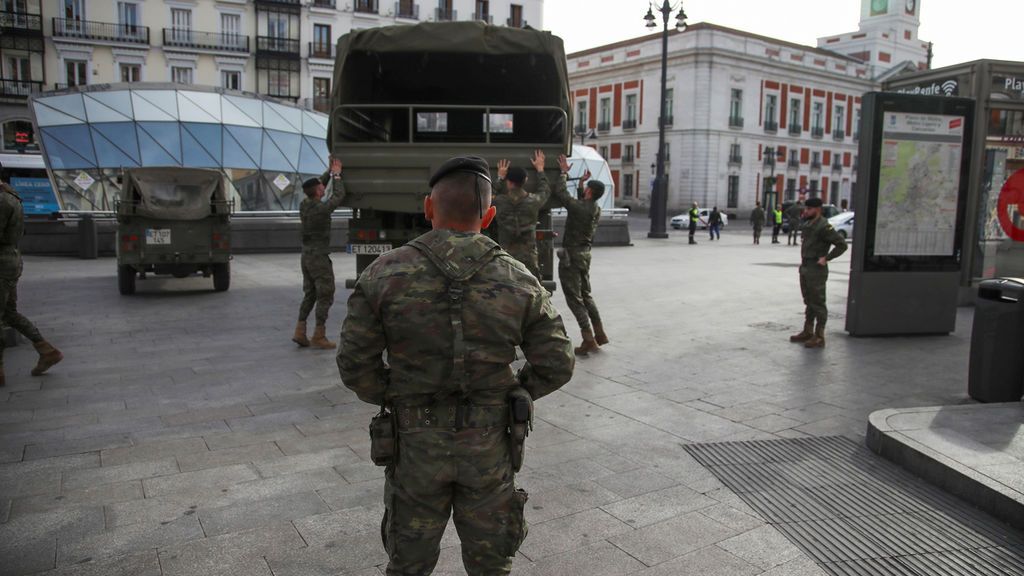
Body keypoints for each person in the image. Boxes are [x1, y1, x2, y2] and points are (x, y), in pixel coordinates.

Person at [337, 156, 574, 576]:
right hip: (487, 444)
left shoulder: (382, 275)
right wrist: (516, 390)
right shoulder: (519, 279)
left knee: (408, 564)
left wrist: (395, 393)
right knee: (491, 566)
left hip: (413, 444)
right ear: (490, 215)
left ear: (429, 208)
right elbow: (557, 362)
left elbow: (355, 365)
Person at [0, 181, 62, 386]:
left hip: (2, 262)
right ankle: (46, 350)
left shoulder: (2, 199)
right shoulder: (11, 194)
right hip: (11, 260)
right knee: (9, 313)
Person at [552, 153, 608, 356]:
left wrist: (564, 173)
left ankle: (588, 339)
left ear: (590, 192)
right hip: (585, 255)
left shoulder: (580, 208)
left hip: (572, 257)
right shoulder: (595, 209)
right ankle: (599, 333)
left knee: (574, 298)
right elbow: (580, 203)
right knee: (586, 295)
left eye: (587, 189)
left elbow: (561, 193)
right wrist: (582, 184)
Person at [292, 156, 346, 350]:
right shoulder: (322, 209)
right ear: (317, 192)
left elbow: (319, 184)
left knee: (310, 293)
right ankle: (319, 335)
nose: (323, 187)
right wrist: (337, 176)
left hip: (306, 256)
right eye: (321, 187)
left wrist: (329, 172)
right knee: (326, 293)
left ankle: (300, 330)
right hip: (318, 257)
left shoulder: (305, 205)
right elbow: (339, 196)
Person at [790, 197, 847, 349]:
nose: (806, 211)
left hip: (816, 269)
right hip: (806, 267)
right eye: (806, 208)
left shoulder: (824, 226)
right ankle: (808, 331)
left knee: (818, 303)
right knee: (809, 301)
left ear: (817, 209)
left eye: (809, 209)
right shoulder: (809, 224)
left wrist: (827, 258)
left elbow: (841, 245)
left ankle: (819, 336)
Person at [490, 153, 552, 280]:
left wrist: (499, 178)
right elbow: (545, 190)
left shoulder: (499, 201)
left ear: (508, 182)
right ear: (525, 181)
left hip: (505, 257)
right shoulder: (534, 201)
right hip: (528, 258)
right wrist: (540, 170)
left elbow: (487, 196)